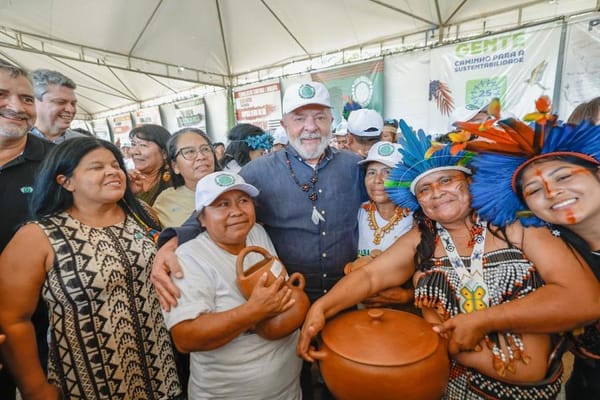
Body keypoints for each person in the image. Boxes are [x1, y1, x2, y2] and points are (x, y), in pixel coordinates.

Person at [297, 121, 600, 399]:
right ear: (418, 202)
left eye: (446, 180)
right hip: (448, 389)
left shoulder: (515, 226)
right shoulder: (422, 239)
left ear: (469, 183)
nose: (437, 193)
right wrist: (322, 308)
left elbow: (583, 300)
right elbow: (370, 277)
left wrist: (482, 321)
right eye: (425, 189)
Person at [152, 81, 365, 399]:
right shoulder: (258, 172)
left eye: (319, 117)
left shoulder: (355, 167)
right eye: (299, 118)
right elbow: (211, 214)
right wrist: (168, 246)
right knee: (302, 378)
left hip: (345, 299)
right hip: (289, 302)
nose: (310, 127)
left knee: (348, 380)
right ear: (284, 124)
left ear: (332, 122)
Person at [0, 137, 183, 399]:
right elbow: (12, 318)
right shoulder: (39, 236)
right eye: (96, 167)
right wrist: (34, 388)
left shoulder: (142, 214)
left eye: (115, 165)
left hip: (161, 373)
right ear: (66, 181)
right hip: (88, 382)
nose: (112, 172)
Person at [450, 108, 600, 399]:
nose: (552, 191)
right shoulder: (551, 243)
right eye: (534, 189)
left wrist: (484, 322)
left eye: (564, 176)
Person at [162, 171, 302, 399]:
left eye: (243, 201)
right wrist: (253, 311)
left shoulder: (257, 232)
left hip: (288, 390)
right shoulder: (189, 258)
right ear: (201, 219)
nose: (236, 211)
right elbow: (185, 338)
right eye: (222, 204)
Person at [0, 58, 54, 400]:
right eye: (2, 94)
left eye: (27, 99)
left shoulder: (57, 162)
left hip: (41, 327)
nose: (16, 107)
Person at [353, 140, 415, 308]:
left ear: (403, 177)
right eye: (371, 172)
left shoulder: (416, 219)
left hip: (404, 314)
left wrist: (407, 295)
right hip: (360, 311)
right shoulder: (356, 213)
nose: (378, 180)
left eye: (387, 172)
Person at [154, 127, 218, 228]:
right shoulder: (166, 201)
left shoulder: (234, 187)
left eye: (205, 149)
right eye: (189, 152)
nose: (201, 156)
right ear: (175, 166)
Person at [30, 69, 85, 143]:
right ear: (33, 102)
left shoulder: (85, 145)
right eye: (60, 102)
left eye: (73, 104)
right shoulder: (14, 144)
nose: (71, 110)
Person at [128, 123, 172, 206]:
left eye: (143, 145)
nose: (134, 152)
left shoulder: (175, 183)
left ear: (164, 153)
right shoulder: (128, 180)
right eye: (133, 144)